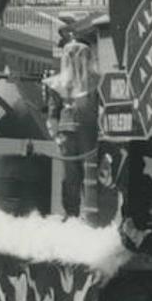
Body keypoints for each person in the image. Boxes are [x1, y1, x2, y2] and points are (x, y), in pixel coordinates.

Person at [42, 40, 99, 217]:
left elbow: (52, 114)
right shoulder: (94, 80)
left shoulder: (96, 81)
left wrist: (56, 135)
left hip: (80, 134)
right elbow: (52, 114)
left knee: (80, 176)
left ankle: (82, 215)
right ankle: (75, 215)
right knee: (76, 177)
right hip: (79, 134)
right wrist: (56, 135)